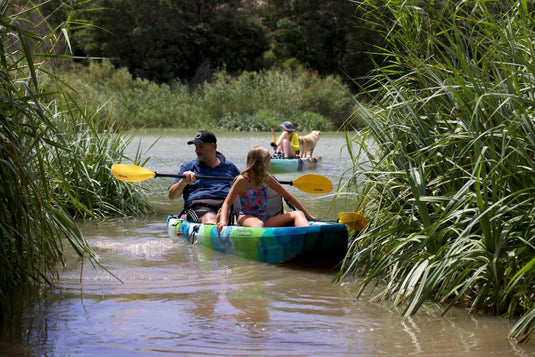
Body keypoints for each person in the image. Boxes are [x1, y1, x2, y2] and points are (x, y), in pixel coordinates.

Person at [217, 146, 316, 234]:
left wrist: (308, 215)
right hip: (246, 217)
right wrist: (223, 221)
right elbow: (227, 203)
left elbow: (288, 196)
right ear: (260, 163)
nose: (269, 164)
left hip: (266, 219)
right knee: (259, 225)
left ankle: (306, 237)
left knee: (298, 214)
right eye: (268, 161)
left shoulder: (267, 178)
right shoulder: (242, 180)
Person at [168, 130, 240, 224]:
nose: (196, 150)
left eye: (200, 147)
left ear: (212, 146)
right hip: (199, 206)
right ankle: (216, 227)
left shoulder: (230, 167)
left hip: (226, 206)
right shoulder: (188, 167)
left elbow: (244, 191)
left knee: (236, 219)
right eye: (196, 147)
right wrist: (183, 182)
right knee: (210, 219)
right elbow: (172, 196)